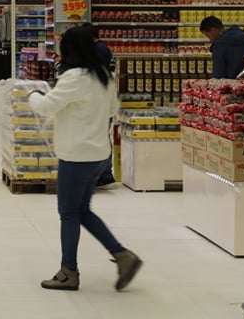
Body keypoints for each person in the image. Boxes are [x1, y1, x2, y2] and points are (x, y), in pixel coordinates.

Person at [27, 27, 142, 292]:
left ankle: (69, 271)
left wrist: (33, 94)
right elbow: (113, 110)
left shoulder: (74, 77)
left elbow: (47, 107)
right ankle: (123, 256)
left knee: (68, 213)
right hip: (98, 155)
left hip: (76, 155)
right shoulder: (105, 75)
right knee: (82, 210)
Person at [83, 24, 116, 187]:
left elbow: (95, 74)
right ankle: (105, 173)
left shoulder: (99, 50)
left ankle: (103, 173)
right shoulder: (101, 48)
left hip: (101, 100)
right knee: (102, 136)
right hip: (104, 99)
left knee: (101, 137)